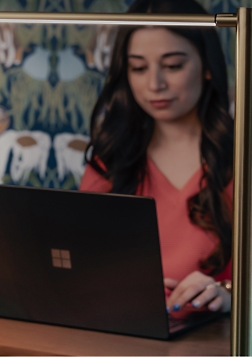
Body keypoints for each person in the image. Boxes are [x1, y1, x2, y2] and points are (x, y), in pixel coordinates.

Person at [81, 0, 234, 313]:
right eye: (138, 68)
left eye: (173, 66)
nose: (155, 84)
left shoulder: (240, 160)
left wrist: (231, 295)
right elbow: (81, 264)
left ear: (207, 67)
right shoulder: (110, 160)